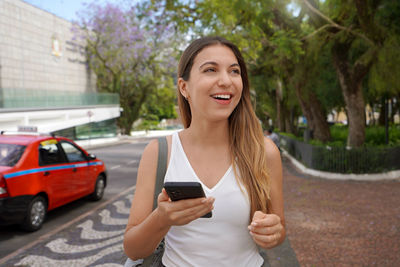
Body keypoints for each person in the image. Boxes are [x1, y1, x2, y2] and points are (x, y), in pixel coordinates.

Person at [124, 36, 285, 266]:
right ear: (184, 87)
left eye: (234, 71)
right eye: (211, 70)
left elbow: (279, 228)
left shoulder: (265, 151)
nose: (226, 80)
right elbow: (132, 249)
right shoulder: (159, 152)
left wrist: (272, 232)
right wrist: (161, 219)